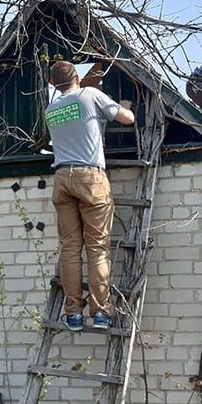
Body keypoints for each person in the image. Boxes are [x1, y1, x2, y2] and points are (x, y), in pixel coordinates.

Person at [46, 61, 135, 330]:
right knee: (97, 249)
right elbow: (125, 119)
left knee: (70, 250)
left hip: (62, 179)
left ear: (53, 85)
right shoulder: (90, 94)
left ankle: (73, 313)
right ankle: (100, 313)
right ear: (77, 77)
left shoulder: (51, 109)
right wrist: (126, 107)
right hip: (90, 178)